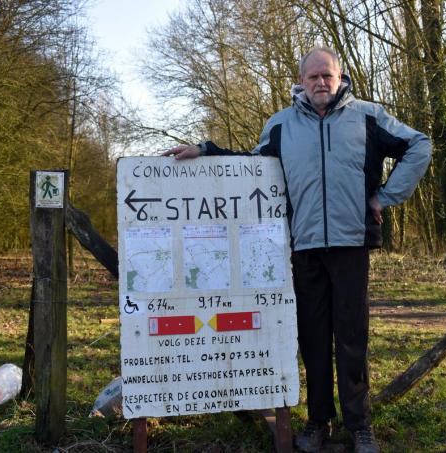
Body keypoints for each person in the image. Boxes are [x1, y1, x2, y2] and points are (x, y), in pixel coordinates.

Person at [164, 46, 431, 453]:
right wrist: (206, 151)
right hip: (302, 247)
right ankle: (318, 422)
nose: (321, 83)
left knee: (352, 338)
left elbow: (420, 146)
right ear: (301, 81)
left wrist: (385, 196)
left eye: (328, 76)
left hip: (350, 244)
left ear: (341, 78)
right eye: (314, 77)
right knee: (313, 338)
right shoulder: (282, 125)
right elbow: (251, 166)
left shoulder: (368, 117)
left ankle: (360, 427)